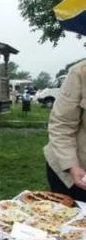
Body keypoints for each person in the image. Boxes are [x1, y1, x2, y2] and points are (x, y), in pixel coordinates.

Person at [44, 60, 86, 202]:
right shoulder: (80, 71)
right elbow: (62, 124)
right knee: (69, 220)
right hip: (72, 168)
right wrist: (72, 165)